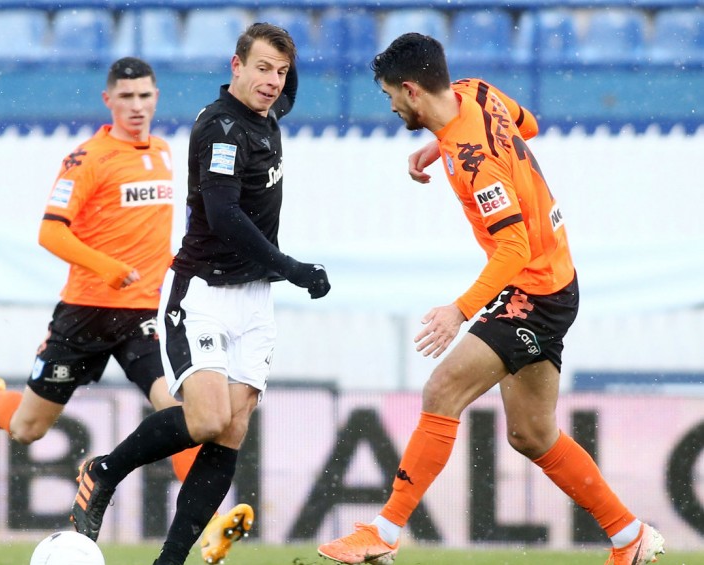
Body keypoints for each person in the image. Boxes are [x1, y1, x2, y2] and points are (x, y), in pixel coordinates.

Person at [317, 33, 666, 565]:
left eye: (389, 94)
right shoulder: (476, 91)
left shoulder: (473, 161)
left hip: (534, 289)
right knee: (532, 434)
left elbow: (514, 246)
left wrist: (458, 310)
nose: (389, 106)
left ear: (412, 90)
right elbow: (529, 125)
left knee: (442, 390)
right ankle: (628, 536)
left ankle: (382, 534)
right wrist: (439, 143)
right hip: (555, 277)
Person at [68, 24, 330, 565]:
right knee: (207, 419)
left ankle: (170, 561)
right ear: (236, 66)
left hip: (254, 300)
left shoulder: (269, 111)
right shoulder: (220, 127)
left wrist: (292, 47)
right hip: (203, 293)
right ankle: (105, 470)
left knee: (232, 428)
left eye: (281, 72)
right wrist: (292, 268)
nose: (273, 82)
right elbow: (223, 215)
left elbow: (286, 83)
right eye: (262, 68)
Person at [0, 55, 220, 537]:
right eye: (126, 97)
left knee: (181, 412)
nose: (137, 106)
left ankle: (208, 524)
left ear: (157, 97)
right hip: (86, 312)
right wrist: (106, 267)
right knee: (28, 428)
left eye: (145, 96)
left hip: (144, 313)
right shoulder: (87, 158)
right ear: (108, 100)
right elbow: (50, 232)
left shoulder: (164, 152)